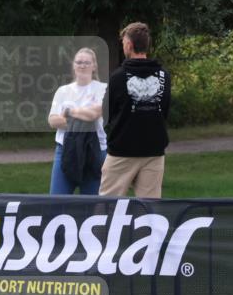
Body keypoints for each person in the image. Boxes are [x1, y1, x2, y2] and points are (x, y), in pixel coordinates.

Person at [99, 22, 171, 199]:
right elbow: (165, 111)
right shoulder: (164, 76)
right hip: (154, 150)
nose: (123, 46)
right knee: (150, 209)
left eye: (123, 43)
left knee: (108, 209)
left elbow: (106, 113)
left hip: (121, 151)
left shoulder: (118, 76)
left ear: (129, 45)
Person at [47, 48, 107, 195]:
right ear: (73, 65)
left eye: (87, 62)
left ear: (94, 66)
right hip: (66, 150)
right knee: (57, 202)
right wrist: (82, 117)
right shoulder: (63, 91)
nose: (82, 65)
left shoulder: (103, 89)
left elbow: (94, 114)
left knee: (94, 206)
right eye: (79, 62)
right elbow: (53, 120)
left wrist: (69, 112)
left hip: (95, 150)